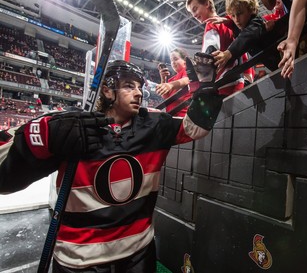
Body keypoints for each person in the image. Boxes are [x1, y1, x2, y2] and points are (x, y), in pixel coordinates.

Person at [0, 60, 224, 272]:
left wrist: (204, 87)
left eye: (139, 87)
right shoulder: (70, 127)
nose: (138, 93)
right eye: (128, 86)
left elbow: (194, 128)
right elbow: (5, 178)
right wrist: (38, 136)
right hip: (79, 259)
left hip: (139, 253)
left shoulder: (155, 123)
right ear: (107, 91)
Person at [186, 0, 245, 95]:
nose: (194, 15)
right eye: (192, 13)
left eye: (195, 9)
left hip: (224, 85)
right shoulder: (230, 24)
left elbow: (209, 57)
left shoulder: (211, 25)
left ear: (207, 4)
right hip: (237, 80)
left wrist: (197, 75)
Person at [211, 0, 282, 73]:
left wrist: (229, 52)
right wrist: (229, 21)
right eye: (233, 16)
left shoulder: (257, 22)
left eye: (239, 14)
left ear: (251, 9)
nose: (236, 20)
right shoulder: (242, 26)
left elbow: (248, 35)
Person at [155, 48, 190, 117]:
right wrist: (163, 78)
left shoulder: (187, 70)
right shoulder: (172, 79)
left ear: (185, 61)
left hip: (183, 115)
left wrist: (170, 85)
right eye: (171, 60)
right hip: (171, 114)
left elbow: (186, 80)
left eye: (176, 59)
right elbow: (165, 96)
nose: (173, 62)